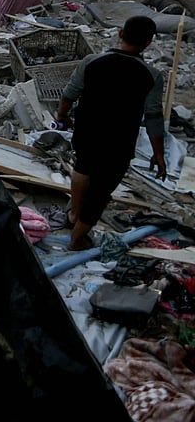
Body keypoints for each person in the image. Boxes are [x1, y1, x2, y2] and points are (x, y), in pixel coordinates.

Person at [54, 15, 166, 250]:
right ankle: (77, 238)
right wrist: (159, 153)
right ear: (148, 43)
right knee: (101, 190)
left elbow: (69, 93)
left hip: (87, 130)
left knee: (83, 166)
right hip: (119, 140)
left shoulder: (92, 61)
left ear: (120, 34)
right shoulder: (152, 75)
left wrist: (62, 116)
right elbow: (154, 116)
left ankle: (74, 214)